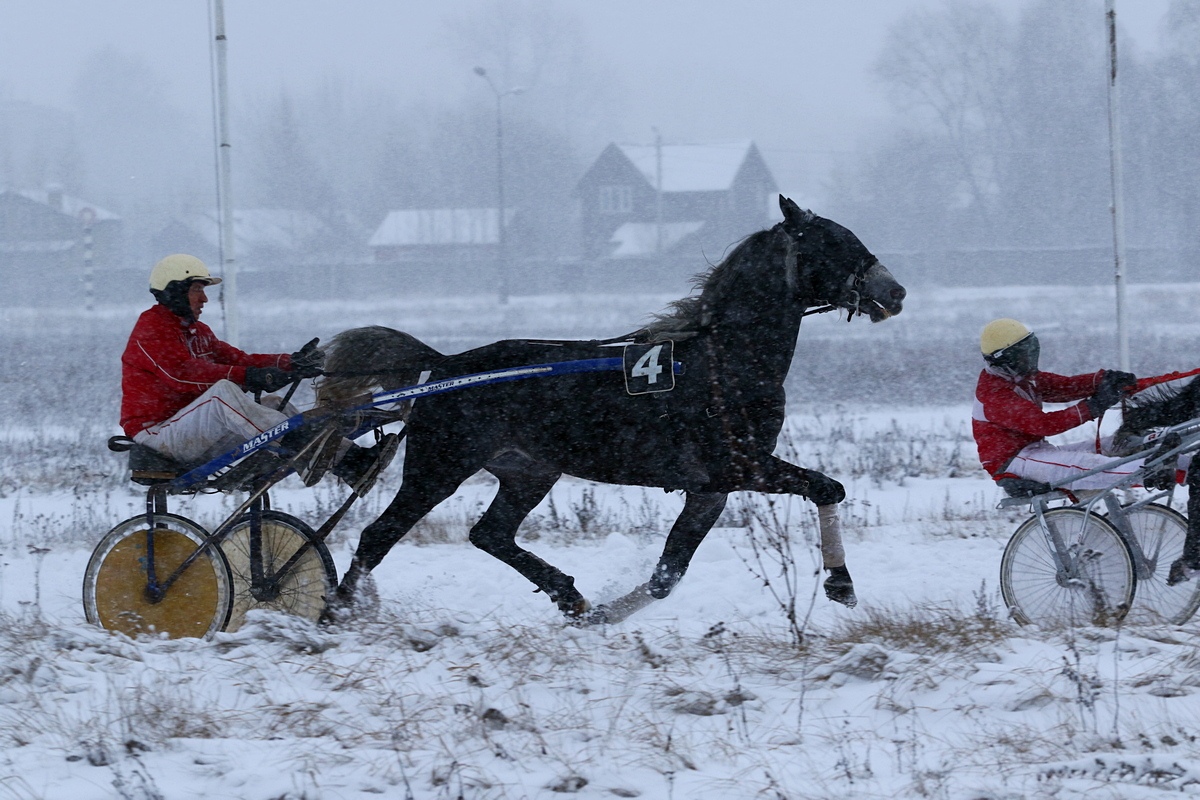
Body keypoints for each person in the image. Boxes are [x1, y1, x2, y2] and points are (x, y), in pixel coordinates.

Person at [120, 253, 397, 495]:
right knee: (223, 393)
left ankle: (352, 464)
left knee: (275, 404)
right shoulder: (152, 328)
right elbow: (183, 374)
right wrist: (251, 376)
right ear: (174, 291)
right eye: (196, 289)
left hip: (189, 431)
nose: (205, 298)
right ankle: (306, 449)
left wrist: (289, 363)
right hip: (158, 439)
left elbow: (239, 359)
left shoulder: (198, 332)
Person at [973, 318, 1200, 584]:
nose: (1030, 359)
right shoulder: (994, 395)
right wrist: (1095, 406)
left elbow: (1064, 387)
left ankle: (1184, 467)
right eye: (1024, 354)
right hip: (1014, 462)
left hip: (1038, 451)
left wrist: (1103, 380)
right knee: (1092, 464)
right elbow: (1045, 423)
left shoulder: (1023, 379)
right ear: (1005, 359)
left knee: (1117, 445)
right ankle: (1152, 471)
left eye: (1031, 350)